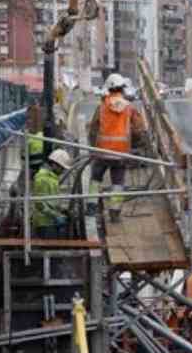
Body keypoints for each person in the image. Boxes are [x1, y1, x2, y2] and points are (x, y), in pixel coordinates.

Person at [86, 73, 146, 217]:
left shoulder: (102, 107)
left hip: (102, 152)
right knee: (118, 184)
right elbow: (139, 130)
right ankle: (114, 212)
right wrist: (136, 144)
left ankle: (91, 208)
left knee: (95, 179)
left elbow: (93, 128)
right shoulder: (129, 108)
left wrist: (92, 148)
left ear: (109, 89)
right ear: (122, 89)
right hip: (120, 154)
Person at [31, 149, 73, 236]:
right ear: (54, 165)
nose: (62, 171)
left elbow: (51, 201)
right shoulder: (42, 178)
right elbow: (39, 203)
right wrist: (56, 216)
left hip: (51, 221)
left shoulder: (52, 178)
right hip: (44, 224)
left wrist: (61, 209)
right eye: (62, 168)